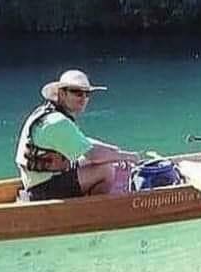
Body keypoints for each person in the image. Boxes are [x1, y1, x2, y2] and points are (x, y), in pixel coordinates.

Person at [15, 69, 140, 201]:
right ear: (62, 94)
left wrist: (115, 152)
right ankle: (93, 212)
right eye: (77, 92)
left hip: (37, 184)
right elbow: (94, 155)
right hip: (41, 191)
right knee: (106, 169)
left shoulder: (46, 114)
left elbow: (84, 142)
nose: (83, 98)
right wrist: (128, 157)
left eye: (87, 94)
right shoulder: (58, 122)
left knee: (105, 159)